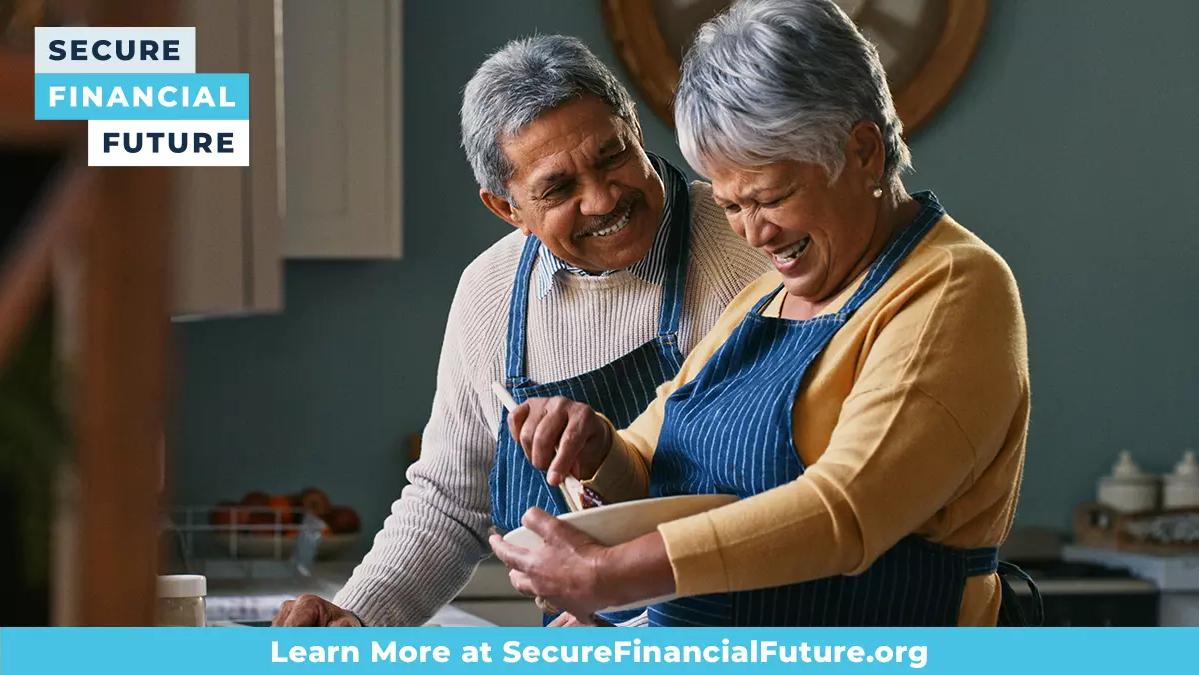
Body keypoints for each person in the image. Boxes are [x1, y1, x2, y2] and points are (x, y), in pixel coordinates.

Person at [489, 0, 1040, 627]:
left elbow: (848, 509)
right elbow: (648, 465)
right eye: (729, 205)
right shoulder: (764, 301)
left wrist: (614, 576)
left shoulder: (952, 288)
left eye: (771, 197)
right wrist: (596, 450)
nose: (754, 234)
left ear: (862, 152)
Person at [270, 35, 771, 627]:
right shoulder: (490, 292)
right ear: (506, 208)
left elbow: (794, 497)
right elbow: (449, 503)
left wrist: (639, 631)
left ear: (633, 127)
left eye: (612, 156)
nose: (602, 199)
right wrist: (357, 620)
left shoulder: (756, 247)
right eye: (558, 188)